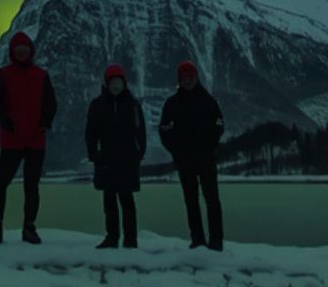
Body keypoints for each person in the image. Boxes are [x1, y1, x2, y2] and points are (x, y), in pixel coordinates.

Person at [0, 30, 56, 245]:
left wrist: (44, 123)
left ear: (31, 51)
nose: (22, 53)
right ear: (13, 52)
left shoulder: (41, 75)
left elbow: (51, 103)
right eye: (18, 50)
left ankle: (29, 227)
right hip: (12, 140)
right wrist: (7, 124)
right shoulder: (3, 75)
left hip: (35, 140)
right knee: (1, 184)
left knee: (31, 186)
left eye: (25, 50)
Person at [159, 60, 224, 250]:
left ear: (196, 78)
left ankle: (216, 240)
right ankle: (197, 239)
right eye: (184, 78)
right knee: (191, 201)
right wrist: (176, 151)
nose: (187, 80)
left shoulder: (208, 101)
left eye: (190, 77)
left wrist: (211, 146)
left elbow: (220, 125)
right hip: (185, 161)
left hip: (206, 159)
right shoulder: (172, 104)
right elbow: (163, 130)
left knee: (211, 199)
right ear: (179, 80)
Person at [84, 63, 145, 249]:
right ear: (107, 83)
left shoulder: (133, 105)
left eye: (119, 82)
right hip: (107, 160)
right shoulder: (98, 105)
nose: (116, 86)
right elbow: (91, 133)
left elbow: (140, 132)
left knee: (127, 201)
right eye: (113, 82)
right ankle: (112, 237)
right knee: (109, 201)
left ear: (124, 82)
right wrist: (94, 155)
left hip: (127, 160)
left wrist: (138, 154)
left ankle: (130, 239)